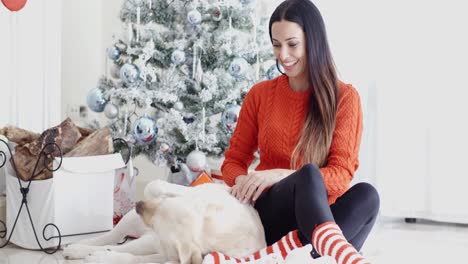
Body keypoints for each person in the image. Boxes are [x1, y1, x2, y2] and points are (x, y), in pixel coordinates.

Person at [203, 0, 379, 264]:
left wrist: (282, 174)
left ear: (314, 40)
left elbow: (342, 176)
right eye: (276, 44)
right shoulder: (261, 95)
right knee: (308, 174)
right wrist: (243, 182)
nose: (283, 55)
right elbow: (234, 161)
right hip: (271, 211)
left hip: (319, 216)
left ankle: (285, 255)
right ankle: (332, 254)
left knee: (367, 196)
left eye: (292, 44)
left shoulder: (345, 98)